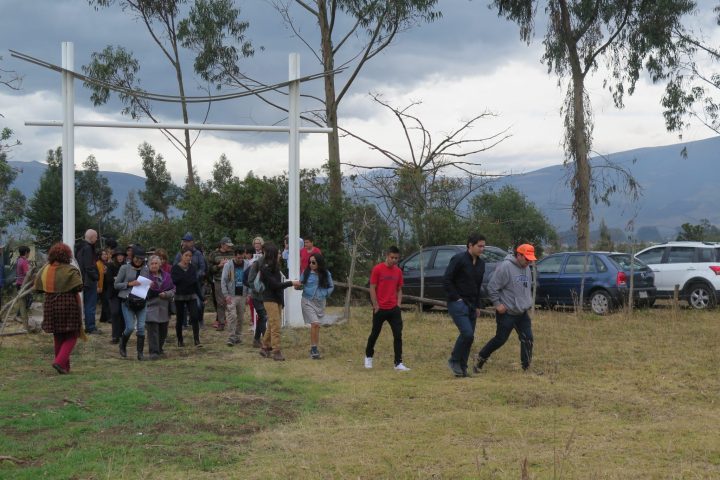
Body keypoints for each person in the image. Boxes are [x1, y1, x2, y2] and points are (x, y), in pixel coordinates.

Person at [475, 243, 537, 373]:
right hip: (507, 313)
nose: (529, 262)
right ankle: (480, 359)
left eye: (531, 259)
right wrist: (498, 304)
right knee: (500, 340)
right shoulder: (506, 267)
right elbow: (492, 287)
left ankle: (526, 368)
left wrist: (526, 302)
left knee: (528, 338)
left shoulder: (526, 268)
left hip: (522, 312)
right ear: (518, 255)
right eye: (527, 258)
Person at [34, 242, 84, 374]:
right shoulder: (70, 270)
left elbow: (37, 288)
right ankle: (59, 362)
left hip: (50, 304)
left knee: (58, 335)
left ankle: (64, 368)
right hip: (67, 303)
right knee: (72, 335)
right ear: (67, 255)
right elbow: (79, 286)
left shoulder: (45, 270)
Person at [443, 233, 486, 377]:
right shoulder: (459, 259)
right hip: (458, 303)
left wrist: (478, 305)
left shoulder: (481, 264)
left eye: (483, 246)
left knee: (470, 337)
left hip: (473, 304)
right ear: (470, 245)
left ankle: (462, 368)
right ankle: (454, 360)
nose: (482, 249)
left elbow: (478, 285)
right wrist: (456, 298)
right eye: (479, 246)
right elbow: (447, 279)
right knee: (467, 333)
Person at [364, 246, 410, 371]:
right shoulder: (377, 269)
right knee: (375, 333)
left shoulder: (398, 271)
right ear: (387, 255)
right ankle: (368, 356)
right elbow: (372, 288)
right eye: (392, 257)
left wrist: (398, 304)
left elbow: (399, 289)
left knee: (398, 335)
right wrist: (375, 305)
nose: (394, 260)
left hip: (394, 309)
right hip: (380, 309)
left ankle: (398, 363)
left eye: (396, 258)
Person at [257, 243, 301, 361]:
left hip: (277, 300)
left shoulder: (275, 268)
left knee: (272, 324)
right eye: (278, 253)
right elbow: (275, 285)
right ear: (273, 254)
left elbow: (278, 287)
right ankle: (276, 351)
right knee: (276, 326)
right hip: (269, 299)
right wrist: (291, 283)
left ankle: (265, 347)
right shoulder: (265, 269)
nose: (280, 255)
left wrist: (281, 302)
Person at [115, 246, 150, 360]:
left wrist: (150, 285)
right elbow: (116, 285)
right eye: (136, 258)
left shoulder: (146, 269)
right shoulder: (124, 268)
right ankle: (123, 345)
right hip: (127, 301)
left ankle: (140, 353)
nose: (138, 260)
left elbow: (147, 284)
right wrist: (130, 284)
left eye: (141, 258)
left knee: (141, 327)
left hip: (141, 301)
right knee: (129, 327)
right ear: (132, 257)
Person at [298, 253, 334, 359]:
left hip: (320, 302)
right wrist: (298, 287)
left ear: (319, 263)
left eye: (313, 262)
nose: (311, 264)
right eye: (309, 262)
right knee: (315, 323)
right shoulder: (306, 272)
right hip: (307, 301)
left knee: (317, 326)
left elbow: (331, 286)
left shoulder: (326, 274)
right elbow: (301, 283)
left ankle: (315, 348)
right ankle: (314, 349)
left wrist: (325, 294)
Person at [171, 247, 203, 348]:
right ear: (181, 256)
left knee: (194, 316)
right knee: (180, 319)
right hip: (179, 296)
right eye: (186, 255)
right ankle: (180, 340)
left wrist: (201, 297)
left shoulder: (192, 268)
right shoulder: (175, 268)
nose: (188, 258)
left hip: (191, 295)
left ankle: (197, 340)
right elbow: (175, 281)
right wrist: (186, 279)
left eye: (190, 256)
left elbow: (195, 283)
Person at [145, 255, 175, 360]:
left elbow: (173, 289)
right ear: (149, 265)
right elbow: (139, 292)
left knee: (163, 331)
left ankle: (160, 348)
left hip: (164, 307)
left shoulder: (167, 276)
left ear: (160, 264)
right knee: (153, 331)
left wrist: (166, 294)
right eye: (152, 264)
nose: (154, 265)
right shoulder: (145, 277)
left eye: (156, 263)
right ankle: (153, 352)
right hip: (150, 307)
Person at [75, 229, 101, 334]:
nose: (97, 239)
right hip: (89, 281)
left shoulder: (79, 247)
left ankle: (87, 325)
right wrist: (96, 276)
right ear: (91, 237)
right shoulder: (88, 248)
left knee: (85, 304)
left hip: (81, 279)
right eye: (96, 237)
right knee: (90, 305)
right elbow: (89, 266)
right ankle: (90, 327)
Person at [221, 247, 248, 346]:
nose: (240, 259)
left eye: (242, 258)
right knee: (232, 316)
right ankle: (231, 337)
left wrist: (248, 293)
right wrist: (226, 295)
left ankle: (238, 336)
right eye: (238, 258)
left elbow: (249, 279)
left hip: (243, 294)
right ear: (234, 256)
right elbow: (223, 280)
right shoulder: (228, 265)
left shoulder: (247, 264)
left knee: (240, 318)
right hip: (231, 295)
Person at [207, 237, 235, 331]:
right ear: (222, 245)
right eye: (228, 245)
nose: (229, 247)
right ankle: (221, 323)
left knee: (231, 302)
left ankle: (232, 323)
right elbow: (209, 269)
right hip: (218, 280)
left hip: (231, 281)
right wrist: (219, 266)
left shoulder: (232, 253)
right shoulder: (213, 254)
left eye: (230, 246)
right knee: (220, 302)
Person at [245, 245, 268, 348]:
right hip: (256, 296)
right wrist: (257, 288)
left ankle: (256, 340)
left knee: (262, 318)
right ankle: (266, 341)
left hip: (267, 296)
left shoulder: (272, 263)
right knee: (263, 316)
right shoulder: (257, 263)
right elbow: (249, 279)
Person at [14, 245, 35, 332]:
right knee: (28, 301)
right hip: (24, 285)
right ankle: (23, 319)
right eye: (29, 252)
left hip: (18, 283)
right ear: (26, 252)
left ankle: (18, 316)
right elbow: (28, 274)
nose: (29, 254)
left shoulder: (19, 260)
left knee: (21, 301)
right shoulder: (24, 262)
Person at [107, 247, 126, 344]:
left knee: (123, 314)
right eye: (118, 255)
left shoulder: (126, 266)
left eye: (121, 255)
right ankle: (115, 336)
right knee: (115, 312)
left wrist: (117, 279)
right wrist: (118, 279)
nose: (120, 257)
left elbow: (127, 279)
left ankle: (121, 334)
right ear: (115, 257)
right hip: (113, 293)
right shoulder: (110, 265)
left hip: (123, 293)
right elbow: (108, 279)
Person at [97, 250, 110, 324]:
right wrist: (98, 286)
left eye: (106, 254)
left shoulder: (107, 263)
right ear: (100, 255)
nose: (105, 256)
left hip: (107, 285)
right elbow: (98, 276)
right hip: (101, 285)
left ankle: (103, 318)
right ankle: (109, 318)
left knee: (105, 301)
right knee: (105, 301)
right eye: (103, 254)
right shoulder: (98, 264)